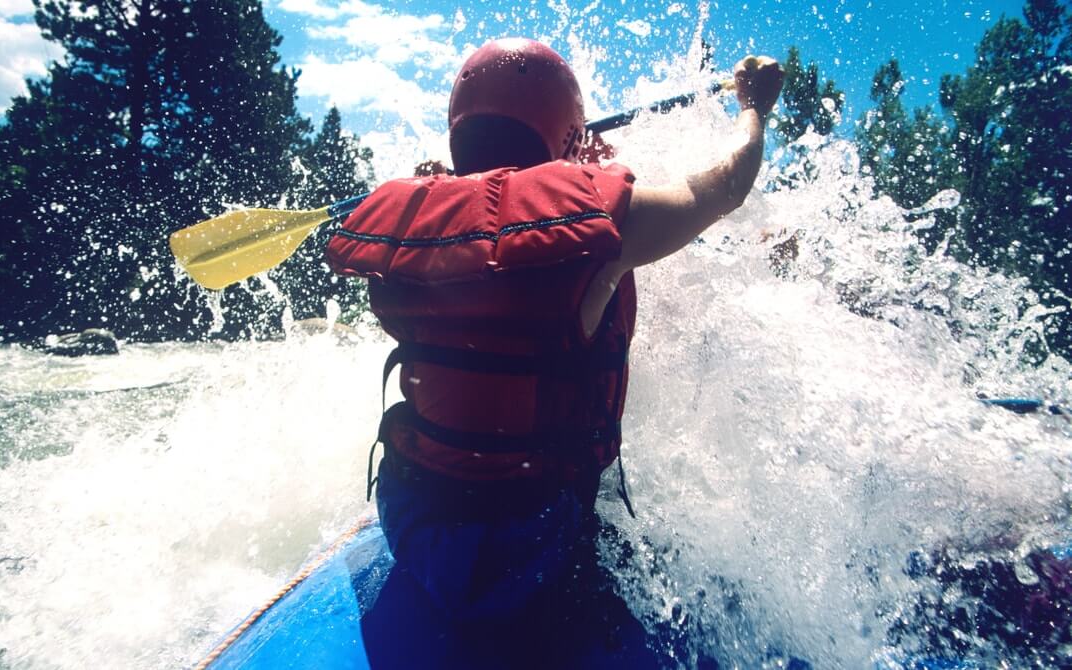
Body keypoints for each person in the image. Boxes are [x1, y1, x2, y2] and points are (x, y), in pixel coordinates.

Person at [327, 37, 783, 662]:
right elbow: (729, 184)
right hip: (530, 543)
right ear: (570, 133)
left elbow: (483, 216)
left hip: (410, 517)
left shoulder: (415, 217)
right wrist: (755, 108)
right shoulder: (606, 231)